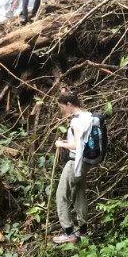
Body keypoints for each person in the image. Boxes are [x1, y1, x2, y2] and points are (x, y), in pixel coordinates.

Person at [52, 91, 93, 244]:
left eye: (62, 107)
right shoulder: (88, 115)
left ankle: (68, 232)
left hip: (75, 162)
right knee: (79, 194)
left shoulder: (76, 121)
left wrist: (61, 144)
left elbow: (77, 145)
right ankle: (83, 231)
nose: (62, 110)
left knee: (61, 195)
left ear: (69, 104)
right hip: (86, 162)